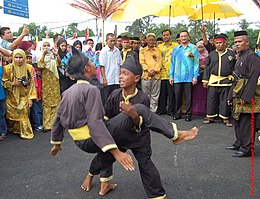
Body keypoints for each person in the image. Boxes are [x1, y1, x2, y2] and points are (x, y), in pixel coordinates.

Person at [50, 51, 198, 197]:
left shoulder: (68, 92)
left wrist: (56, 143)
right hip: (104, 136)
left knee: (143, 162)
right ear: (86, 69)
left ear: (137, 78)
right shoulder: (100, 92)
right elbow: (97, 123)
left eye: (124, 73)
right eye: (91, 62)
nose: (120, 76)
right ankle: (175, 134)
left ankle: (156, 195)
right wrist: (116, 152)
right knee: (110, 146)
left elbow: (58, 119)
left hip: (135, 137)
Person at [226, 31, 260, 157]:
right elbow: (235, 79)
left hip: (248, 93)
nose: (237, 44)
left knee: (247, 121)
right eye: (235, 42)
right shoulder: (240, 57)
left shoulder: (253, 57)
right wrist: (230, 96)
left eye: (240, 41)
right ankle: (238, 143)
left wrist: (246, 97)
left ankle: (247, 149)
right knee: (237, 119)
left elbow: (253, 78)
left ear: (247, 42)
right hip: (237, 91)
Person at [2, 49, 37, 139]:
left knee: (23, 113)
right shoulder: (7, 68)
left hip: (24, 95)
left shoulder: (29, 68)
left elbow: (32, 84)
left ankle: (26, 132)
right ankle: (15, 129)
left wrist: (30, 98)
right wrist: (13, 83)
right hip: (11, 96)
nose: (18, 60)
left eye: (20, 57)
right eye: (16, 57)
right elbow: (4, 83)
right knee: (12, 117)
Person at [202, 34, 236, 125]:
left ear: (225, 43)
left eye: (220, 43)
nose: (219, 45)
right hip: (213, 80)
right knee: (211, 99)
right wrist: (205, 80)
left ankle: (225, 118)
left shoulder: (231, 54)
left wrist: (233, 76)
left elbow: (235, 67)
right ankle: (210, 117)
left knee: (224, 100)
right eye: (217, 43)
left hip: (226, 81)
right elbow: (207, 67)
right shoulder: (212, 54)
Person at [169, 30, 199, 122]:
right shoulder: (176, 49)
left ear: (188, 37)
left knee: (188, 97)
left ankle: (188, 114)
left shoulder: (194, 48)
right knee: (177, 96)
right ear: (179, 38)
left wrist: (195, 76)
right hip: (177, 76)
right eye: (181, 36)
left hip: (189, 76)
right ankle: (177, 113)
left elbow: (196, 62)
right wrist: (171, 75)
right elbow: (172, 63)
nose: (183, 38)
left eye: (185, 36)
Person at [37, 41, 61, 132]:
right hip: (46, 82)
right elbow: (40, 66)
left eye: (48, 45)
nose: (46, 47)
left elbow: (59, 63)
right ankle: (47, 124)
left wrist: (56, 55)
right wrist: (43, 54)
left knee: (55, 102)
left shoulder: (52, 56)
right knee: (47, 103)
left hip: (54, 81)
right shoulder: (40, 56)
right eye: (44, 45)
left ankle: (55, 124)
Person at [157, 29, 178, 116]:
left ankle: (171, 110)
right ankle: (162, 109)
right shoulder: (159, 47)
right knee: (162, 93)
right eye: (164, 35)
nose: (166, 36)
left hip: (172, 73)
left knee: (171, 93)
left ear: (170, 36)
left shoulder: (176, 46)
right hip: (162, 72)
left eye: (167, 35)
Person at [140, 33, 162, 112]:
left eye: (153, 40)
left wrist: (155, 70)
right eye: (149, 40)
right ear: (146, 40)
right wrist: (149, 70)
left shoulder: (158, 50)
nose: (151, 41)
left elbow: (159, 62)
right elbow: (142, 62)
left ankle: (153, 111)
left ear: (155, 41)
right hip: (146, 75)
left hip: (156, 75)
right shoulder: (142, 51)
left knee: (155, 95)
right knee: (146, 95)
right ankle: (146, 111)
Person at [99, 33, 123, 104]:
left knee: (116, 98)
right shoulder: (103, 51)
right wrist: (104, 79)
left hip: (116, 80)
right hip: (108, 79)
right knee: (106, 99)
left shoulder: (117, 51)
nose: (113, 43)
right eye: (111, 41)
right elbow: (102, 66)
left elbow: (120, 64)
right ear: (106, 41)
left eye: (114, 41)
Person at [26, 51, 43, 132]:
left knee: (37, 109)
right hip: (27, 92)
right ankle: (35, 124)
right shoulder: (24, 69)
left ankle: (38, 124)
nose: (29, 60)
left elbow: (36, 82)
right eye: (27, 58)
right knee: (32, 110)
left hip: (35, 91)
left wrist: (38, 92)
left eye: (30, 58)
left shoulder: (33, 68)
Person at [191, 40, 209, 116]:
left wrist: (206, 67)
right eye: (198, 47)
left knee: (204, 94)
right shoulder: (193, 54)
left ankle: (204, 110)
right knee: (196, 94)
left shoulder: (208, 54)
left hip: (205, 76)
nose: (200, 49)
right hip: (196, 76)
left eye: (202, 47)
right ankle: (195, 110)